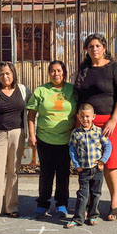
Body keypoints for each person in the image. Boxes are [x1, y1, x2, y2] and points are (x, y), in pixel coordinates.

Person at [73, 33, 117, 221]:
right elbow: (78, 96)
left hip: (108, 123)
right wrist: (78, 121)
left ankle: (115, 202)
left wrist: (114, 119)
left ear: (104, 48)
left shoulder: (113, 67)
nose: (94, 49)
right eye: (91, 46)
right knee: (88, 164)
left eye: (98, 45)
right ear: (86, 50)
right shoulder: (84, 69)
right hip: (87, 123)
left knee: (110, 163)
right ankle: (91, 204)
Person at [0, 62, 32, 220]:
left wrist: (31, 133)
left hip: (18, 133)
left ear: (13, 74)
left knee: (13, 171)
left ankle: (11, 207)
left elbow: (31, 110)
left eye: (8, 73)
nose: (5, 76)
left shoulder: (23, 90)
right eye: (2, 74)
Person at [27, 60, 77, 218]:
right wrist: (31, 134)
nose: (56, 74)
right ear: (49, 73)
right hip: (45, 139)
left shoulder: (72, 90)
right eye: (53, 71)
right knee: (46, 173)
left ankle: (62, 204)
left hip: (66, 140)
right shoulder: (41, 90)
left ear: (64, 73)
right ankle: (43, 203)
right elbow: (31, 114)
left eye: (59, 71)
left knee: (63, 174)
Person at [66, 103, 112, 228]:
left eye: (87, 116)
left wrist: (103, 161)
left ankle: (93, 215)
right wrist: (76, 165)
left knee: (96, 193)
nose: (85, 119)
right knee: (82, 194)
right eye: (82, 116)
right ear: (78, 117)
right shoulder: (76, 133)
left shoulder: (99, 132)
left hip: (97, 169)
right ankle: (78, 218)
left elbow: (108, 146)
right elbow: (72, 149)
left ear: (93, 117)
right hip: (84, 170)